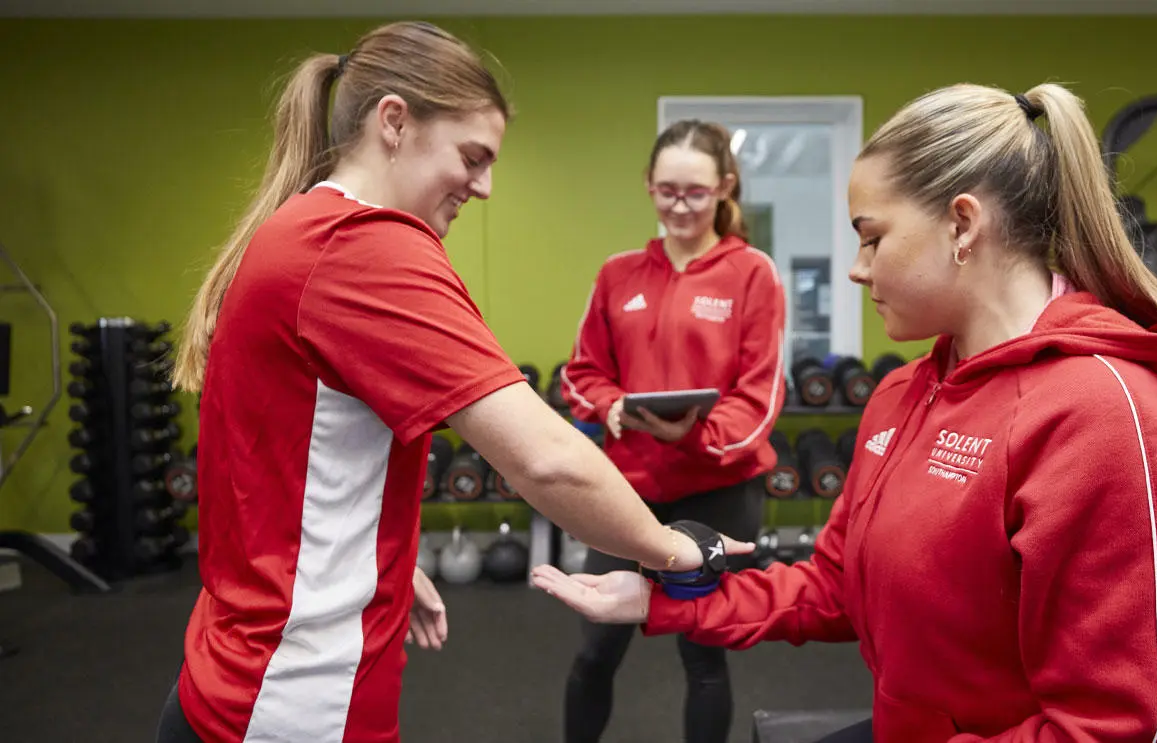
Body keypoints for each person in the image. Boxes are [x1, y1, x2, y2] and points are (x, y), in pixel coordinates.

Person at [533, 81, 1157, 743]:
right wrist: (663, 594)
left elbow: (1123, 729)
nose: (856, 267)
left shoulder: (1109, 419)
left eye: (872, 236)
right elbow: (833, 585)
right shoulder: (906, 392)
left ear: (962, 225)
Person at [158, 21, 750, 743]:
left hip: (237, 672)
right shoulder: (367, 248)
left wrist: (384, 563)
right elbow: (545, 458)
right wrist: (673, 551)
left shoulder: (301, 228)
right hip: (295, 700)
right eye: (473, 157)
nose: (487, 186)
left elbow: (277, 456)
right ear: (395, 122)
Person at [558, 119, 786, 743]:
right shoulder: (618, 274)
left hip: (716, 492)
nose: (679, 206)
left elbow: (760, 397)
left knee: (702, 653)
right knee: (595, 651)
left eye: (695, 192)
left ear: (725, 188)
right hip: (625, 491)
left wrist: (690, 435)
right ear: (649, 188)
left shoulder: (752, 274)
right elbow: (582, 373)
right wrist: (612, 408)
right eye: (666, 191)